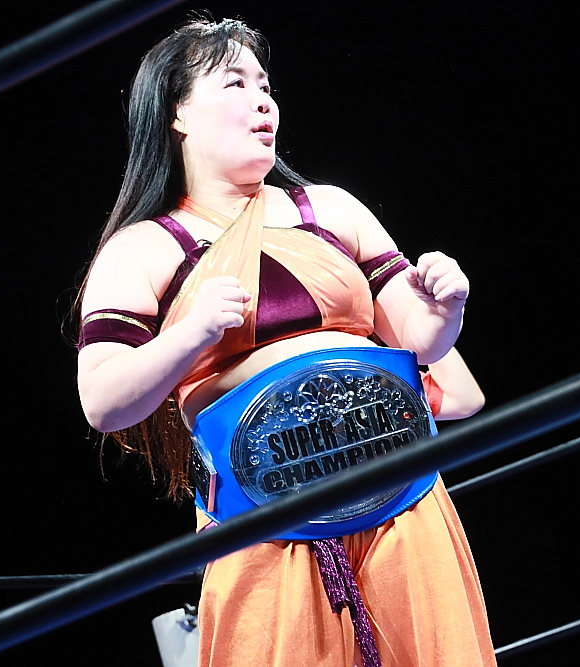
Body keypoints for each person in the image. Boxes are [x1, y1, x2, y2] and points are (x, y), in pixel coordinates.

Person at [76, 17, 498, 667]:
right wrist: (191, 334)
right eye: (235, 84)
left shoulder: (331, 208)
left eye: (266, 86)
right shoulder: (143, 248)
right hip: (264, 523)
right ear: (177, 113)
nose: (262, 100)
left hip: (399, 495)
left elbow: (423, 342)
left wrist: (448, 308)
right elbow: (104, 401)